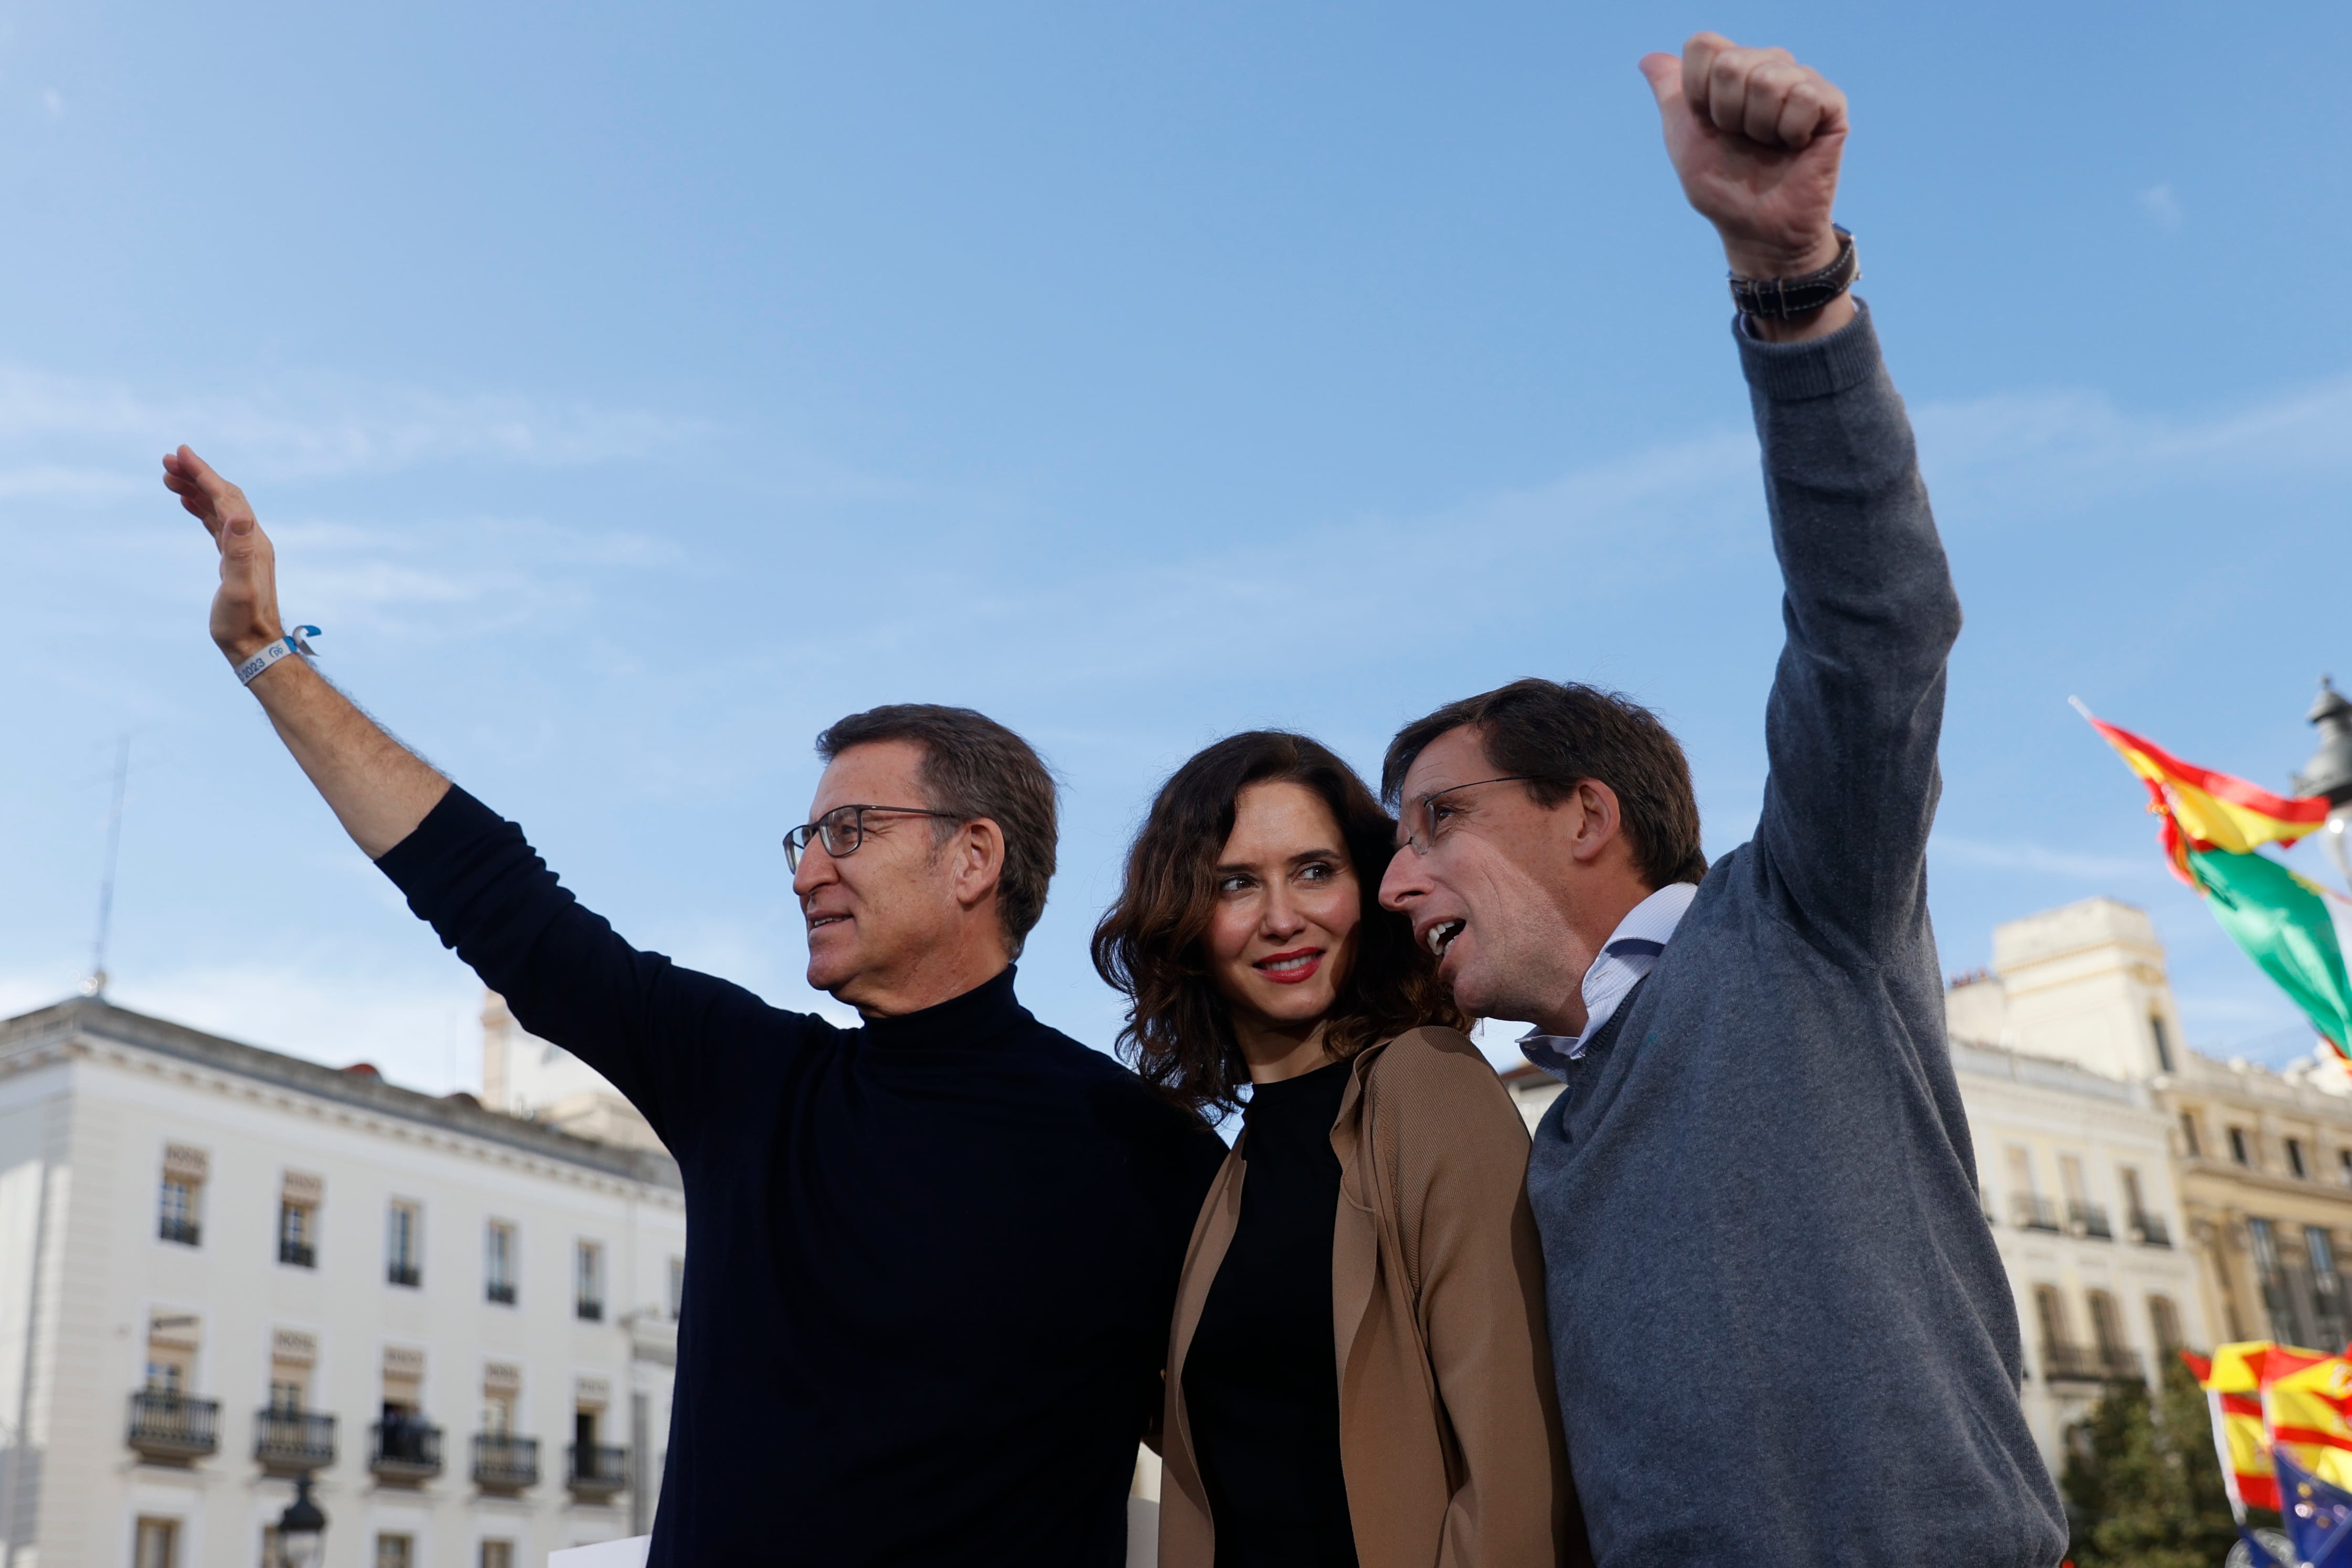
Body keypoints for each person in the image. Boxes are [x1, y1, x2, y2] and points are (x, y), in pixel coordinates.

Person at [164, 450, 1229, 1565]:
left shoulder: (1145, 1153)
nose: (807, 868)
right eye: (804, 837)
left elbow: (1273, 1433)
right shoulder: (749, 1082)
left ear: (973, 858)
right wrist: (264, 654)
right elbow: (501, 903)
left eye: (849, 830)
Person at [1376, 34, 2068, 1568]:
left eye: (1435, 819)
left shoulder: (1806, 920)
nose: (1391, 878)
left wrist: (1788, 284)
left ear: (1584, 813)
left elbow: (1873, 622)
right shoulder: (1539, 1140)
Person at [1093, 731, 1582, 1568]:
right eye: (1236, 884)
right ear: (1187, 920)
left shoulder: (1428, 1085)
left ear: (1370, 887)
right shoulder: (1231, 1176)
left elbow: (1516, 1477)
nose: (1284, 916)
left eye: (1315, 870)